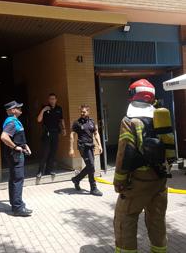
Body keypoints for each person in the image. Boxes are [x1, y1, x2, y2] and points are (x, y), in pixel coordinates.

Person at [113, 79, 175, 253]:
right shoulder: (162, 117)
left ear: (132, 96)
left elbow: (125, 153)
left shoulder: (129, 120)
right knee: (157, 220)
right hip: (160, 179)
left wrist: (119, 180)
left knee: (125, 219)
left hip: (138, 182)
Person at [1, 100, 32, 217]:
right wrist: (15, 147)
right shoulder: (12, 122)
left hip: (14, 154)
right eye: (18, 107)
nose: (20, 109)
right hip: (15, 155)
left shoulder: (15, 121)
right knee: (18, 179)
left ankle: (16, 204)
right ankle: (18, 208)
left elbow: (17, 137)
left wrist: (25, 146)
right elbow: (4, 137)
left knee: (14, 178)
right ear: (13, 110)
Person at [69, 105, 103, 196]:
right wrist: (71, 148)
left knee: (90, 166)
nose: (82, 113)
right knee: (91, 166)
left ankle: (76, 179)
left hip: (91, 146)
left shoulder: (92, 121)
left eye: (84, 112)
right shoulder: (77, 123)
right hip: (83, 146)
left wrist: (99, 145)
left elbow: (96, 133)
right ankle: (93, 188)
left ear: (88, 112)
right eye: (81, 112)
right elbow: (72, 135)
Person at [37, 93, 66, 178]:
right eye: (50, 99)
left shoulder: (59, 108)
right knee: (45, 153)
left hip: (56, 133)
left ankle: (49, 171)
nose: (52, 100)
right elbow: (38, 120)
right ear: (48, 100)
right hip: (47, 133)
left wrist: (64, 129)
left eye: (53, 99)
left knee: (53, 152)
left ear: (56, 100)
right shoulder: (44, 108)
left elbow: (61, 119)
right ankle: (40, 171)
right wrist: (43, 110)